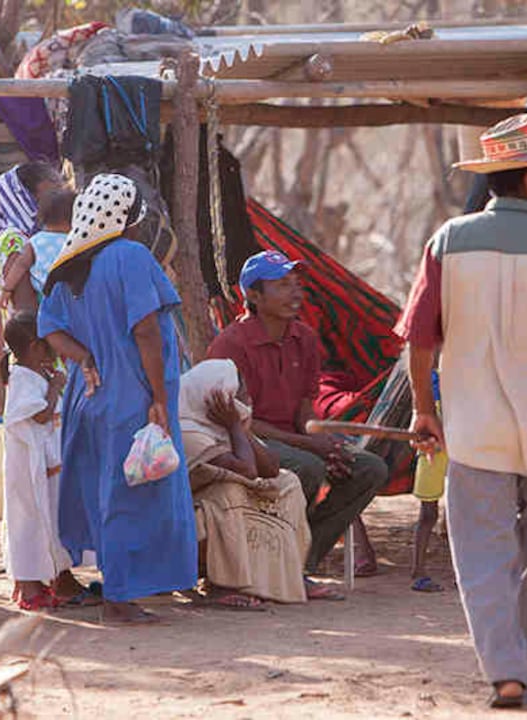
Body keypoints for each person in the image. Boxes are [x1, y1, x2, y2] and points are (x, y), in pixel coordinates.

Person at [397, 113, 527, 709]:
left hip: (475, 424)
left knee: (482, 554)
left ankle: (506, 672)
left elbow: (419, 337)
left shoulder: (447, 240)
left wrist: (423, 408)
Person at [37, 173, 197, 624]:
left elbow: (48, 328)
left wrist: (84, 355)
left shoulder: (70, 267)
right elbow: (145, 329)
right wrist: (160, 398)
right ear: (125, 219)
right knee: (134, 496)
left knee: (104, 493)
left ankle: (120, 584)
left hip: (88, 398)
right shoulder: (130, 257)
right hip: (133, 397)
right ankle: (121, 598)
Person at [206, 250, 389, 592]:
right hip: (243, 441)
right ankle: (281, 568)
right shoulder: (230, 345)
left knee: (369, 468)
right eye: (282, 285)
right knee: (307, 466)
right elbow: (242, 423)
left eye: (296, 283)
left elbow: (305, 410)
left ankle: (298, 561)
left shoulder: (304, 338)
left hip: (292, 440)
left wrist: (325, 444)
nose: (296, 292)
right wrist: (310, 445)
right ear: (254, 297)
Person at [179, 359, 311, 608]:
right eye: (236, 395)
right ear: (213, 397)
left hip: (224, 501)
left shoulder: (221, 426)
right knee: (229, 492)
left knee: (289, 482)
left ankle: (284, 576)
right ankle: (223, 584)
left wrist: (240, 427)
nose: (243, 401)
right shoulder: (187, 431)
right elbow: (248, 471)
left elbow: (270, 468)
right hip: (188, 515)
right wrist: (233, 426)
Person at [0, 311, 99, 610]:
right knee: (28, 523)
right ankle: (30, 587)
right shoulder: (21, 379)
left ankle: (57, 578)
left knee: (50, 523)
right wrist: (56, 387)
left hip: (48, 469)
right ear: (35, 346)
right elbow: (40, 414)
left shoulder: (37, 374)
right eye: (49, 343)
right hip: (27, 473)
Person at [0, 161, 64, 306]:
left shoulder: (47, 235)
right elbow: (26, 312)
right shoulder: (14, 243)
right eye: (51, 196)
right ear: (24, 201)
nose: (59, 204)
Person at [0, 187, 76, 308]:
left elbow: (20, 265)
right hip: (72, 295)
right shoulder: (75, 240)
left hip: (44, 297)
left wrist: (7, 289)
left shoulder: (35, 242)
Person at [409, 369, 445, 593]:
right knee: (428, 512)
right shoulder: (426, 378)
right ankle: (418, 571)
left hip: (460, 440)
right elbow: (418, 412)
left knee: (465, 511)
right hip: (433, 445)